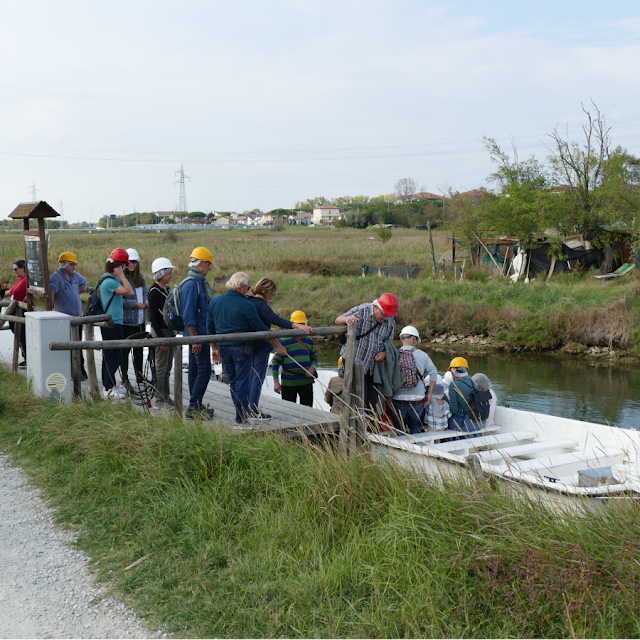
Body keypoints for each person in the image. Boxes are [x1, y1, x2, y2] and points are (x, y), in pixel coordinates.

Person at [207, 272, 286, 426]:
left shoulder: (215, 302)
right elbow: (260, 329)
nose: (248, 290)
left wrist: (214, 347)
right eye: (248, 287)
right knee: (243, 382)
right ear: (242, 286)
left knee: (234, 383)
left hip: (223, 349)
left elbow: (210, 326)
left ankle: (240, 415)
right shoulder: (246, 305)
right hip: (242, 349)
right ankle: (242, 418)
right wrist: (277, 345)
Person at [246, 278, 312, 418]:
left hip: (246, 346)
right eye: (272, 294)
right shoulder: (261, 305)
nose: (272, 298)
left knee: (248, 378)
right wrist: (296, 325)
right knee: (257, 378)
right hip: (260, 346)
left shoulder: (248, 301)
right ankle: (252, 409)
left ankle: (246, 407)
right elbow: (276, 319)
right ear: (267, 292)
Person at [335, 293, 398, 414]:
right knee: (356, 400)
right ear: (377, 307)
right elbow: (338, 320)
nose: (385, 318)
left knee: (372, 404)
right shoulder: (362, 310)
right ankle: (355, 427)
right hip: (354, 363)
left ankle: (369, 428)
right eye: (384, 314)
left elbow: (389, 342)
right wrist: (347, 319)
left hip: (373, 368)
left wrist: (385, 353)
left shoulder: (390, 321)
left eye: (388, 316)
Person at [181, 247, 216, 419]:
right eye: (209, 264)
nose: (210, 268)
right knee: (204, 370)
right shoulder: (191, 283)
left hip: (198, 334)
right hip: (197, 335)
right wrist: (195, 339)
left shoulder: (198, 281)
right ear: (201, 263)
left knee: (195, 370)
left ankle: (196, 404)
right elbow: (188, 315)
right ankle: (194, 406)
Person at [99, 248, 134, 399]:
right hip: (111, 323)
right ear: (118, 266)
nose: (126, 268)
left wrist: (120, 275)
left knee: (114, 354)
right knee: (111, 355)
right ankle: (107, 388)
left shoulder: (111, 280)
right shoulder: (109, 281)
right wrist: (121, 275)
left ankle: (111, 384)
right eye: (124, 266)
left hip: (115, 322)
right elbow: (129, 292)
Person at [390, 325, 438, 435]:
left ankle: (400, 450)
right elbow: (434, 373)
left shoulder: (394, 354)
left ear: (402, 339)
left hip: (398, 398)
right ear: (414, 339)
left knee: (399, 429)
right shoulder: (423, 355)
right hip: (418, 399)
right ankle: (417, 449)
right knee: (416, 427)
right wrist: (430, 393)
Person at [50, 252, 88, 380]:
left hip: (77, 318)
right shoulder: (56, 277)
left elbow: (84, 283)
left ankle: (80, 371)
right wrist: (51, 310)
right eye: (72, 265)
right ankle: (70, 371)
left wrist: (74, 292)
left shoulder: (75, 276)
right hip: (64, 319)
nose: (74, 267)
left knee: (78, 344)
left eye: (75, 265)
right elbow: (51, 294)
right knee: (67, 346)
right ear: (64, 264)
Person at [272, 310, 318, 407]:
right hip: (288, 383)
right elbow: (275, 362)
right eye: (298, 324)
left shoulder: (309, 340)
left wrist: (312, 367)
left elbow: (314, 357)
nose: (300, 326)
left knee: (308, 410)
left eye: (302, 324)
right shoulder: (284, 341)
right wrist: (276, 382)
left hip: (306, 382)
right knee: (289, 411)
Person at [148, 257, 177, 409]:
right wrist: (160, 338)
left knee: (167, 367)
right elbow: (153, 317)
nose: (171, 276)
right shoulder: (154, 292)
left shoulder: (167, 289)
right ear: (162, 273)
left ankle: (166, 396)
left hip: (169, 332)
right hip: (161, 334)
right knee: (161, 367)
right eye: (169, 273)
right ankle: (159, 399)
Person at [121, 248, 149, 384]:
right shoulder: (122, 279)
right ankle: (124, 377)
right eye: (130, 262)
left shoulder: (141, 278)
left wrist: (146, 301)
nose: (132, 264)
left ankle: (140, 376)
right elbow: (120, 301)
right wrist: (134, 304)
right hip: (127, 321)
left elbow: (144, 294)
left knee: (139, 349)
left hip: (141, 320)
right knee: (125, 350)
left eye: (135, 262)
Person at [447, 357, 482, 434]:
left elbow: (454, 410)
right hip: (478, 423)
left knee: (444, 425)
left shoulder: (453, 385)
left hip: (465, 423)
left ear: (453, 372)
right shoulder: (472, 382)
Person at [8, 260, 27, 367]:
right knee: (19, 335)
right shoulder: (19, 280)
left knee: (22, 334)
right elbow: (12, 292)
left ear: (22, 268)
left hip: (22, 310)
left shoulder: (26, 280)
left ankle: (28, 357)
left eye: (15, 269)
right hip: (15, 310)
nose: (14, 271)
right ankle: (26, 356)